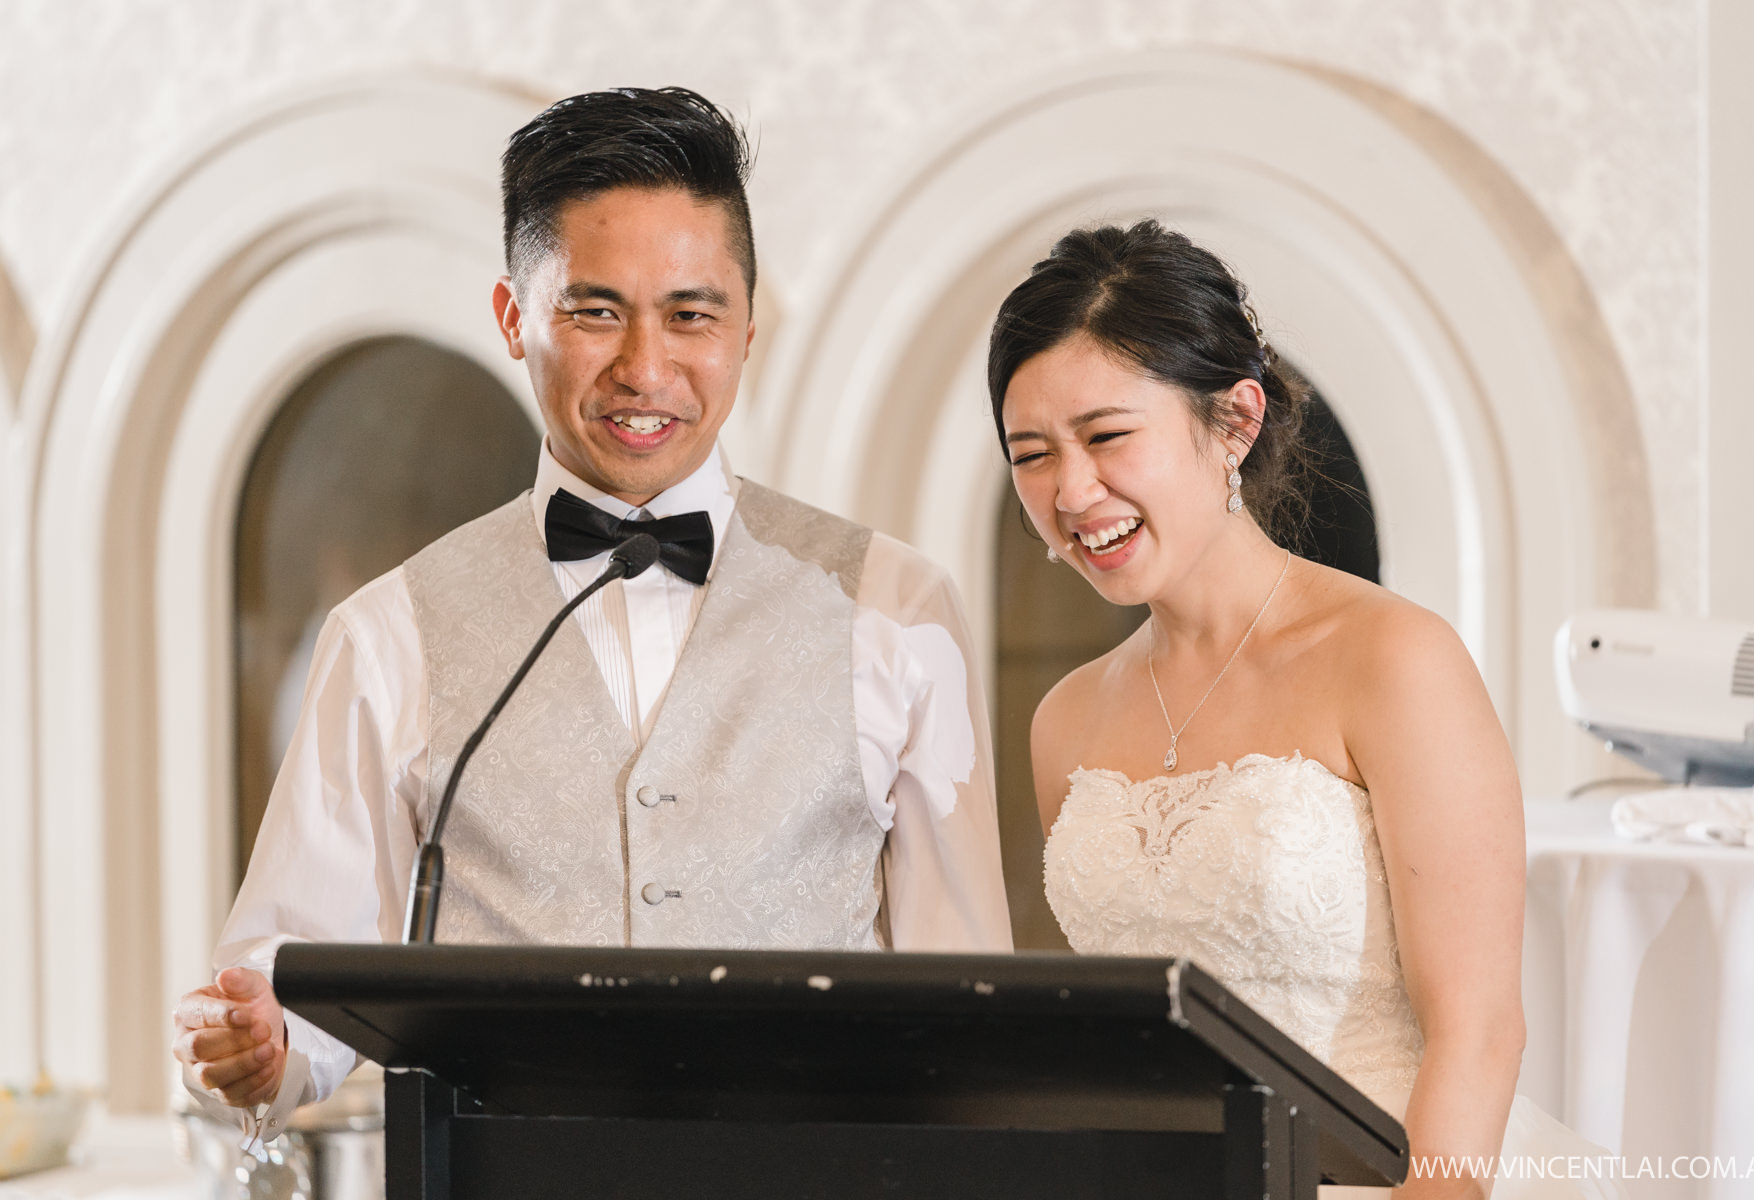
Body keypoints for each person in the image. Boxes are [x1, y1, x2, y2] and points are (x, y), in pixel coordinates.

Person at [172, 86, 1011, 1141]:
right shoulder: (385, 634)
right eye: (595, 310)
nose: (645, 369)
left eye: (691, 314)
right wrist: (261, 1048)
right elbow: (291, 980)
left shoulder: (898, 607)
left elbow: (964, 1006)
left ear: (749, 326)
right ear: (515, 318)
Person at [990, 220, 1618, 1197]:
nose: (1072, 490)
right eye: (1031, 454)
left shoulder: (1394, 659)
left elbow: (1480, 1028)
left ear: (1233, 421)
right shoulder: (1065, 720)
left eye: (1107, 436)